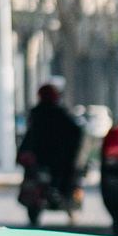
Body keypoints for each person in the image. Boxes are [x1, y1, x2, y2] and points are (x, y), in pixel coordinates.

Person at [16, 81, 85, 209]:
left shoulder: (36, 113)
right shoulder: (61, 114)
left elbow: (30, 136)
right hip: (57, 157)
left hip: (40, 156)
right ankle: (63, 195)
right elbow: (76, 133)